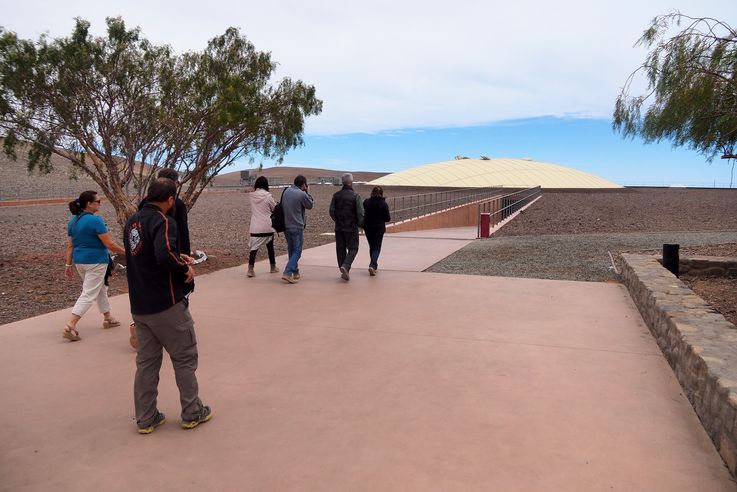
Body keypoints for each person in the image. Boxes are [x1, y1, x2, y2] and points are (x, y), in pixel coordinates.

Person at [124, 178, 211, 434]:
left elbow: (150, 255)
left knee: (147, 364)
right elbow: (163, 256)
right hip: (166, 303)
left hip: (140, 306)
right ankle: (192, 411)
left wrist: (176, 256)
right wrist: (185, 266)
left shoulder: (133, 221)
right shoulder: (163, 221)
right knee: (184, 358)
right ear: (171, 199)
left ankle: (146, 417)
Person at [63, 191, 125, 342]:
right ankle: (70, 326)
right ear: (89, 204)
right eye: (98, 201)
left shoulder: (73, 222)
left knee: (100, 288)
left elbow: (70, 246)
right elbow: (109, 244)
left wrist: (68, 264)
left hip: (80, 262)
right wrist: (128, 253)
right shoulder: (96, 221)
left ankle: (108, 318)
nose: (100, 203)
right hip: (96, 261)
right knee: (89, 293)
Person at [329, 173, 364, 281]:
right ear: (351, 182)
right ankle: (346, 266)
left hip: (339, 227)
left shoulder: (336, 195)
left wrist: (338, 220)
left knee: (340, 249)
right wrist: (361, 224)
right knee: (353, 248)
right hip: (351, 227)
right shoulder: (356, 196)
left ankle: (343, 269)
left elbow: (331, 211)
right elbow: (360, 213)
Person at [281, 175, 314, 284]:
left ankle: (295, 272)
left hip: (286, 226)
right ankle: (287, 271)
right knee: (298, 251)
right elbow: (310, 205)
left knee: (291, 249)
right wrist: (308, 192)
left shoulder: (286, 191)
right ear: (303, 184)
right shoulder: (301, 194)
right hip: (297, 226)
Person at [247, 176, 278, 277]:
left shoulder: (251, 196)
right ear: (266, 185)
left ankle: (250, 270)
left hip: (255, 227)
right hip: (267, 226)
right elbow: (274, 208)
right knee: (270, 247)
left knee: (253, 249)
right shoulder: (268, 196)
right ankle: (273, 267)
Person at [363, 186, 391, 276]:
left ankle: (374, 265)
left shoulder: (366, 202)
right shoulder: (383, 204)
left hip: (368, 227)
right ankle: (372, 265)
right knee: (377, 247)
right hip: (379, 228)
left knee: (372, 246)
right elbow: (387, 218)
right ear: (381, 193)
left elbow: (362, 212)